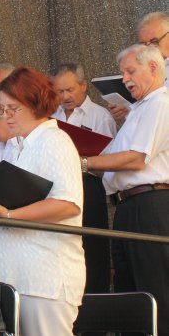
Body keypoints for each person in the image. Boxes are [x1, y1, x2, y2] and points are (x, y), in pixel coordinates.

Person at [0, 67, 85, 336]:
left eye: (13, 108)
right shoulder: (18, 147)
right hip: (14, 275)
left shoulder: (53, 140)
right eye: (4, 109)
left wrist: (9, 215)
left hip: (44, 275)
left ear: (34, 103)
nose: (6, 116)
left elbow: (68, 202)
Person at [84, 44, 169, 336]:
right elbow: (106, 163)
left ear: (154, 68)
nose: (126, 79)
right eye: (123, 73)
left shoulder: (160, 102)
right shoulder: (137, 110)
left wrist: (82, 161)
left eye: (131, 71)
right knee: (128, 288)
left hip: (151, 203)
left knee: (154, 289)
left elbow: (135, 158)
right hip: (126, 206)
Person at [50, 63, 116, 294]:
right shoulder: (51, 118)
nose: (65, 96)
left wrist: (84, 159)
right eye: (59, 91)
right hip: (57, 188)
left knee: (92, 248)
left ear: (84, 86)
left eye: (70, 89)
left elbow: (111, 162)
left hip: (89, 184)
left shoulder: (100, 116)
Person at [109, 12, 169, 122]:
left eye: (154, 42)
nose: (149, 48)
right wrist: (128, 112)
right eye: (143, 45)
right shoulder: (143, 68)